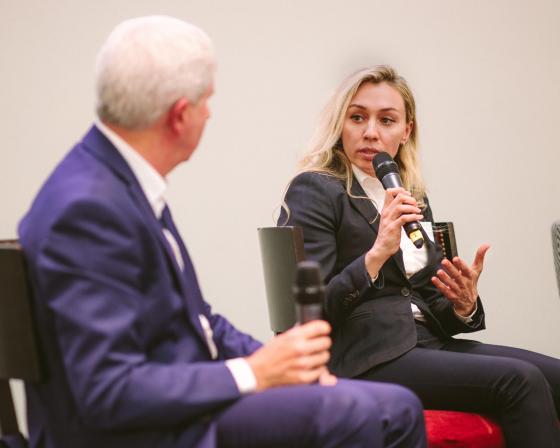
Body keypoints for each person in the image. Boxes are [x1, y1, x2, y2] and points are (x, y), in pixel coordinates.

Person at [18, 18, 427, 448]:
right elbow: (108, 390)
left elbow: (200, 322)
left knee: (398, 406)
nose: (209, 114)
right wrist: (253, 373)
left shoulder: (121, 182)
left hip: (180, 405)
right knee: (373, 413)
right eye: (206, 102)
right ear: (180, 116)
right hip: (148, 432)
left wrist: (280, 363)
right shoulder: (89, 208)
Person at [280, 65, 560, 447]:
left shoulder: (411, 195)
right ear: (340, 123)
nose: (371, 132)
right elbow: (306, 315)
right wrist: (375, 256)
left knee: (554, 375)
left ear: (406, 130)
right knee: (521, 381)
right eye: (357, 117)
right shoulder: (316, 190)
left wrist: (462, 305)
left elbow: (426, 300)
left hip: (428, 344)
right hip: (365, 356)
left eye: (387, 120)